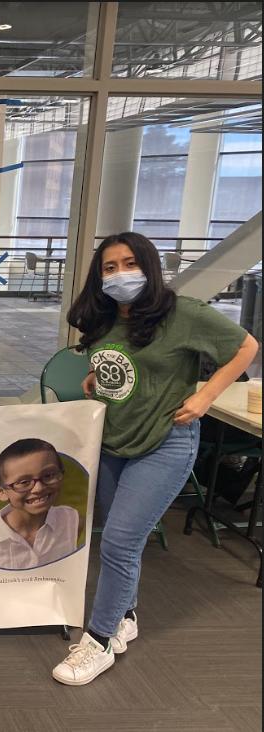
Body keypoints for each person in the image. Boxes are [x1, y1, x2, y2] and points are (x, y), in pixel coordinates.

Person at [51, 231, 258, 686]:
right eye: (109, 267)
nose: (120, 274)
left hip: (165, 442)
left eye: (129, 263)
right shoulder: (107, 316)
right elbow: (119, 357)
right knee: (123, 536)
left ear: (148, 266)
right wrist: (94, 374)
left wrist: (205, 396)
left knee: (121, 542)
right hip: (113, 441)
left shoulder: (183, 314)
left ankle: (99, 640)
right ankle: (126, 616)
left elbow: (246, 347)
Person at [0, 438, 80, 570]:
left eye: (48, 475)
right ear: (0, 492)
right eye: (24, 482)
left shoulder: (72, 521)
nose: (39, 488)